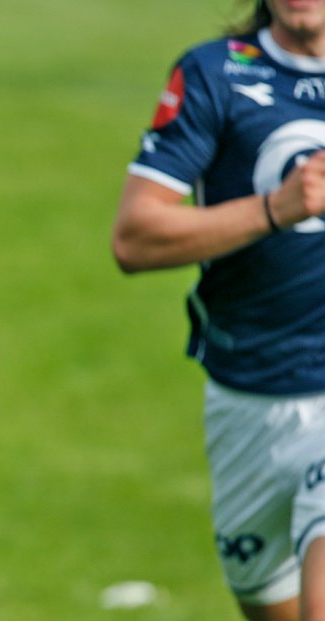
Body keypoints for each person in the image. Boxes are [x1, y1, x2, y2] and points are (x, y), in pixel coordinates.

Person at [111, 1, 325, 619]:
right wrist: (275, 209)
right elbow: (134, 238)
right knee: (267, 602)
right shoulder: (215, 73)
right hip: (247, 398)